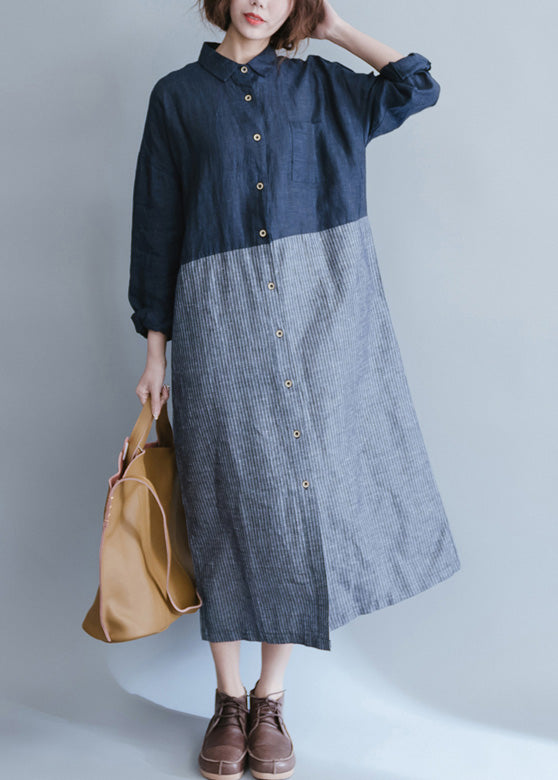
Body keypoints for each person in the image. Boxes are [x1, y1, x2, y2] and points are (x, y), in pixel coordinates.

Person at [128, 0, 462, 777]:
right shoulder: (177, 96)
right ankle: (227, 699)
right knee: (220, 503)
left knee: (296, 507)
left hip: (321, 324)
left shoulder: (323, 85)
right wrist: (155, 349)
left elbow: (415, 87)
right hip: (218, 323)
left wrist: (334, 29)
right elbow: (157, 221)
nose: (261, 1)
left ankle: (271, 697)